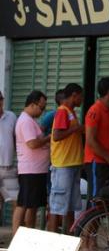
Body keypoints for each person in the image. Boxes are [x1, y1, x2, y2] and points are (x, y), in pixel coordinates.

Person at [47, 83, 85, 233]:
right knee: (58, 206)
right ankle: (52, 239)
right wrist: (75, 129)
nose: (82, 99)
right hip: (63, 165)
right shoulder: (62, 111)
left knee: (69, 206)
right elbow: (56, 136)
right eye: (80, 96)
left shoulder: (71, 112)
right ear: (74, 95)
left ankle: (69, 238)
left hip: (72, 164)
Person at [13, 91, 50, 235]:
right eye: (41, 108)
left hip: (37, 170)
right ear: (32, 104)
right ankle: (17, 236)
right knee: (24, 204)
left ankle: (29, 234)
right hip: (30, 170)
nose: (42, 111)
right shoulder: (26, 121)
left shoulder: (31, 120)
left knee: (32, 205)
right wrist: (48, 138)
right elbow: (33, 144)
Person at [84, 77, 109, 199]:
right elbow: (90, 140)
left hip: (106, 162)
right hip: (97, 162)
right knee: (96, 199)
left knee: (106, 200)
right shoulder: (95, 110)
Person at [0, 90, 18, 225]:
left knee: (17, 202)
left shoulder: (11, 116)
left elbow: (17, 139)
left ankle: (16, 236)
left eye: (0, 99)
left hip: (9, 168)